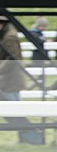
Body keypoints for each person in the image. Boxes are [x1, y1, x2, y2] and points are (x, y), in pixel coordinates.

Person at [0, 15, 42, 144]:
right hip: (9, 79)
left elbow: (12, 59)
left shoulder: (9, 37)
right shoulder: (6, 34)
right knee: (14, 112)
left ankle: (34, 136)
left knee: (14, 112)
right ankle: (29, 137)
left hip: (10, 80)